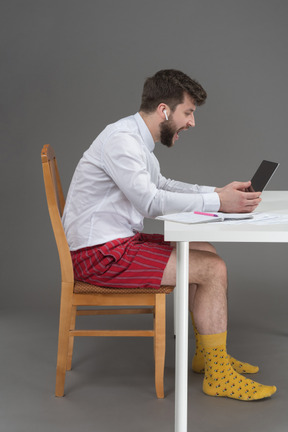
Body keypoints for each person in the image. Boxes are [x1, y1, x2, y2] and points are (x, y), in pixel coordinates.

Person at [62, 69, 276, 401]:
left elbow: (161, 186)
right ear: (165, 110)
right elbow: (149, 202)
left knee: (204, 249)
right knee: (212, 269)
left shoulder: (136, 140)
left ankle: (208, 356)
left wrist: (217, 192)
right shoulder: (122, 141)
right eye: (188, 112)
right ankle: (218, 377)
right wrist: (219, 201)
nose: (191, 122)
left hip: (115, 244)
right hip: (100, 256)